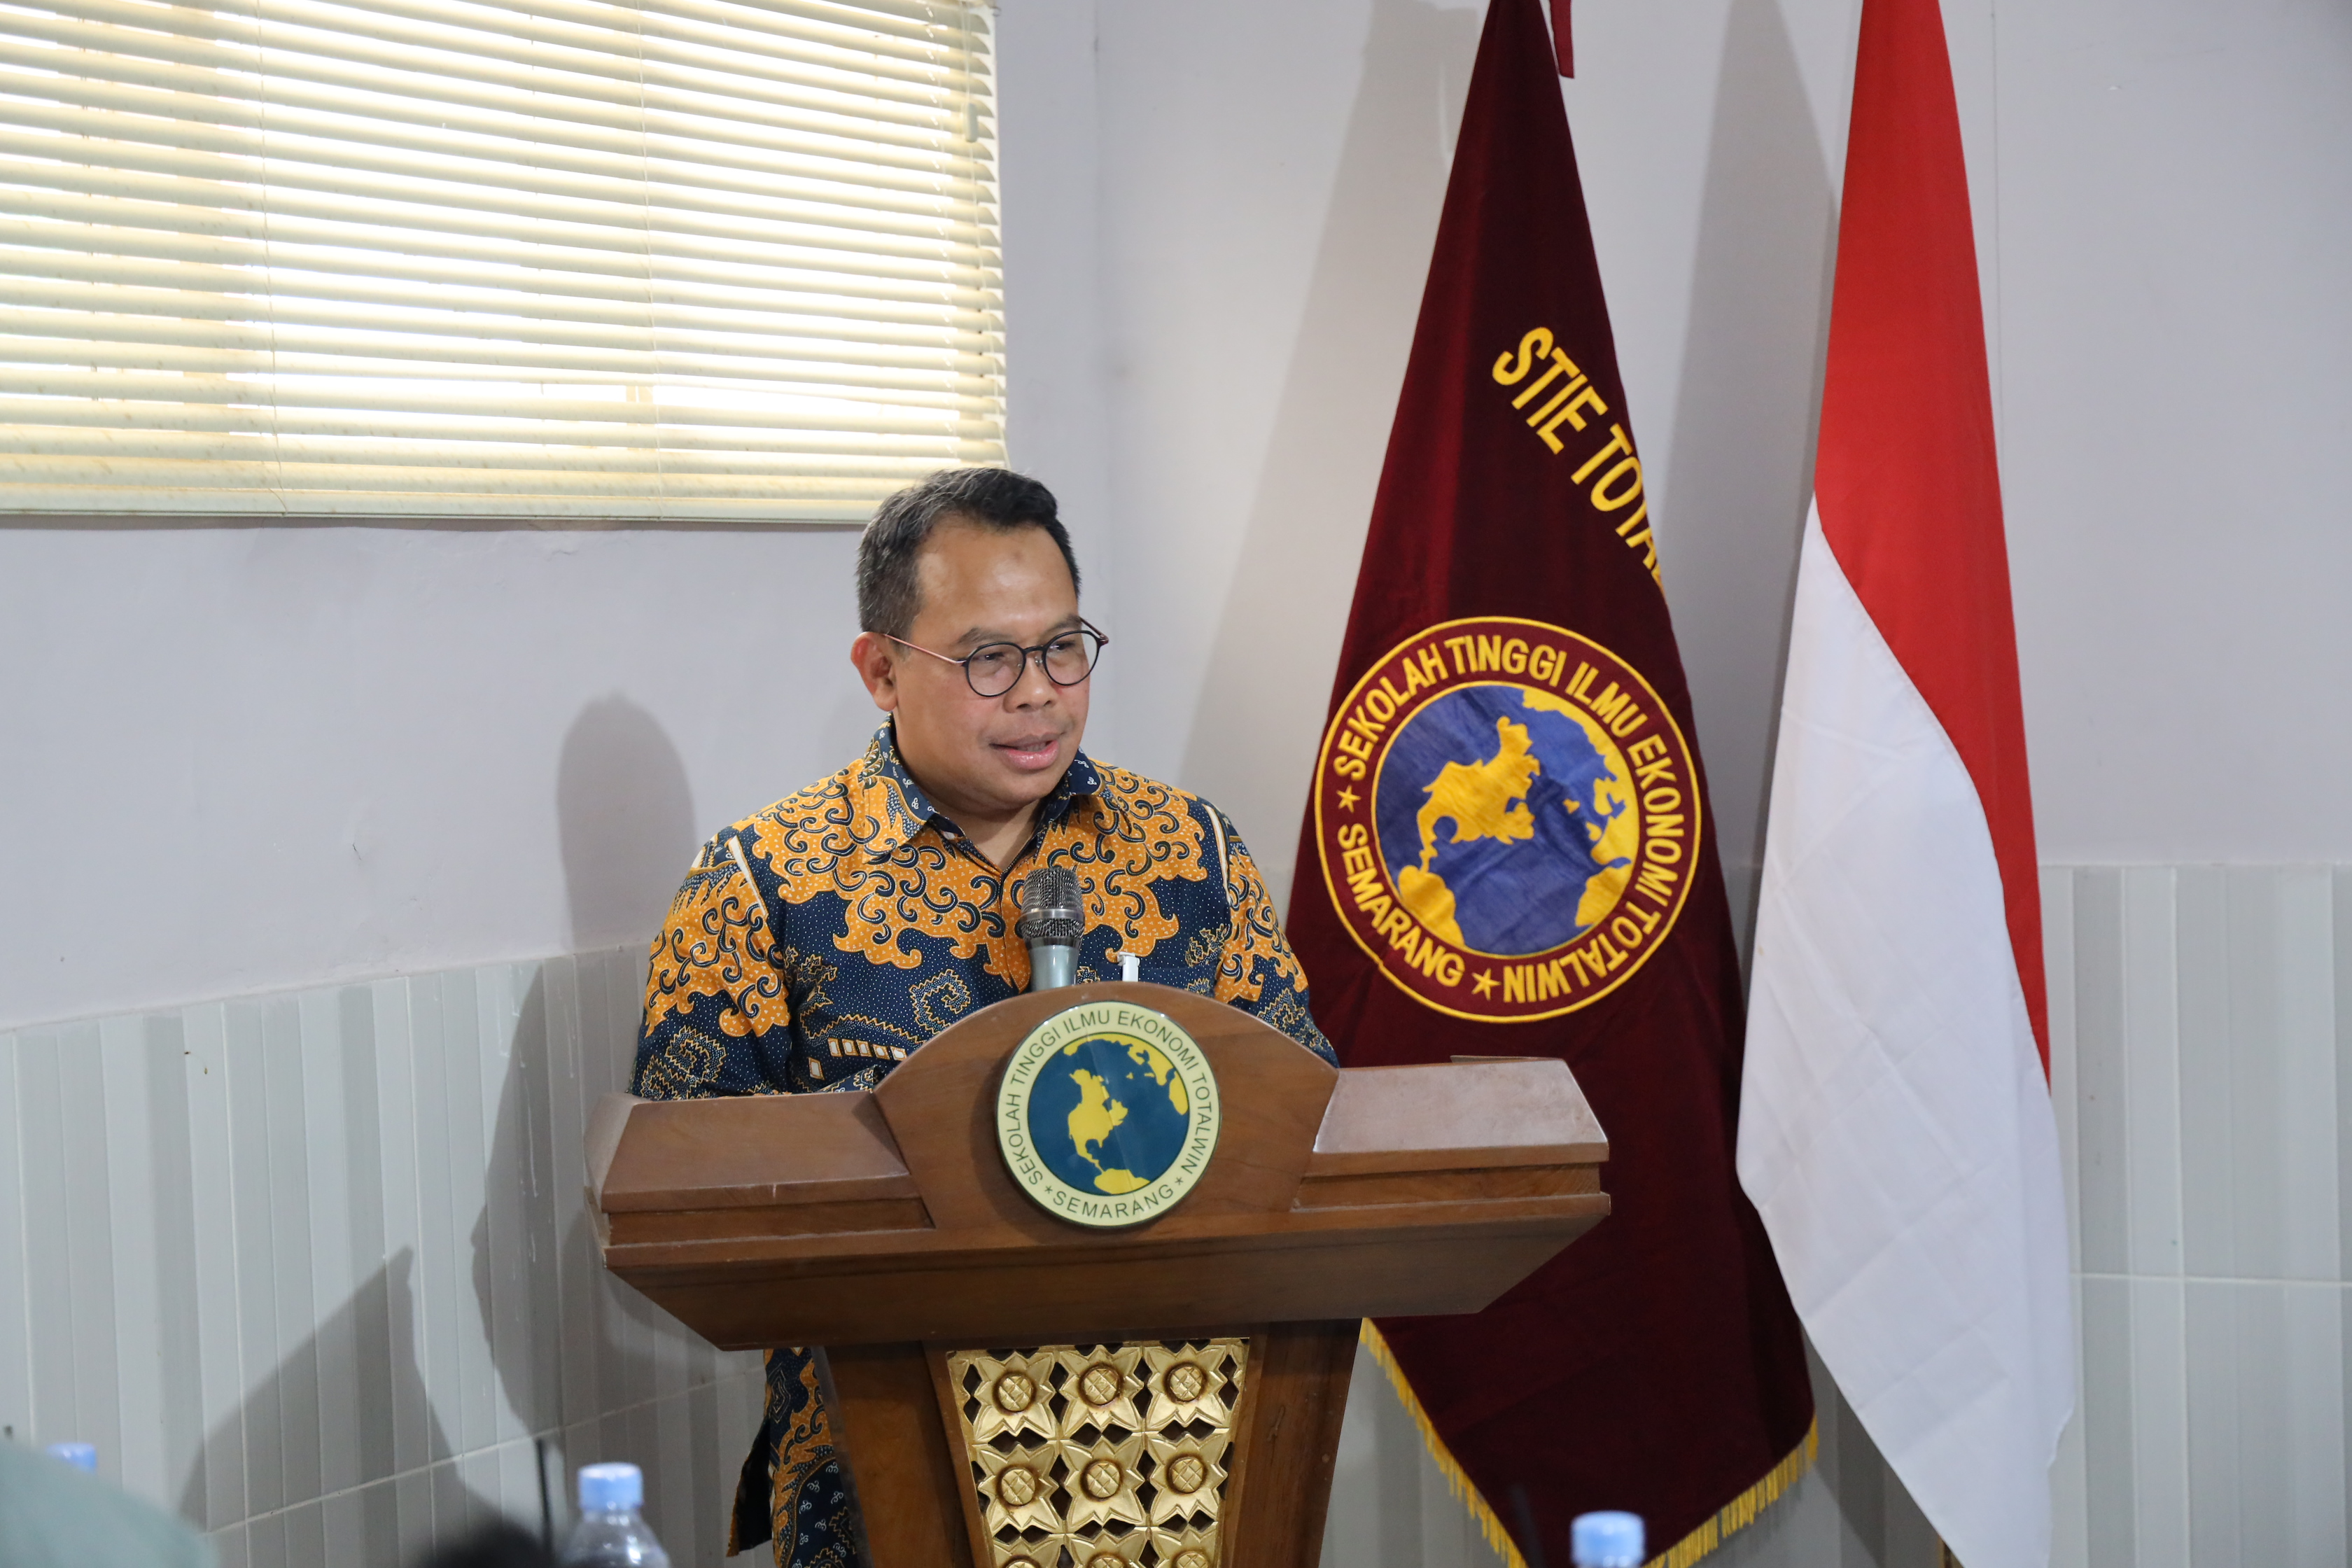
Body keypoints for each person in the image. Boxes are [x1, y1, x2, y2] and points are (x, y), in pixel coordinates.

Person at [629, 466, 1334, 1567]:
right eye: (991, 659)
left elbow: (1307, 1123)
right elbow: (686, 1193)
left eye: (1064, 648)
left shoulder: (1191, 854)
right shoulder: (764, 885)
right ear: (881, 670)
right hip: (890, 1462)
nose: (1039, 694)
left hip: (1177, 1453)